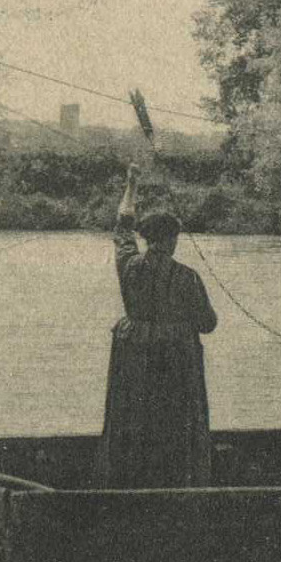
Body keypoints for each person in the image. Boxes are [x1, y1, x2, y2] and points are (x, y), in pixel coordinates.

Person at [93, 167, 218, 489]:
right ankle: (179, 480)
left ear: (148, 239)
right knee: (175, 422)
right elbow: (208, 324)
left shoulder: (128, 265)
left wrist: (132, 184)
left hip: (133, 358)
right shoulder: (187, 277)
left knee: (133, 418)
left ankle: (126, 479)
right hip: (176, 361)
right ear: (171, 240)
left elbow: (123, 225)